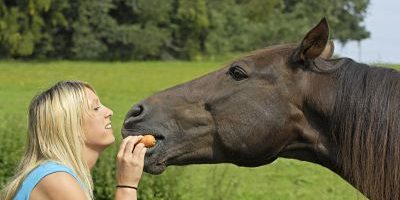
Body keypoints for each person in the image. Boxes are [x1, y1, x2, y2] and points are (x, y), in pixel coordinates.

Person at [0, 80, 146, 200]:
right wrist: (127, 185)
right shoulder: (56, 178)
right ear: (70, 126)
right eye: (96, 108)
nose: (109, 111)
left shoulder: (59, 175)